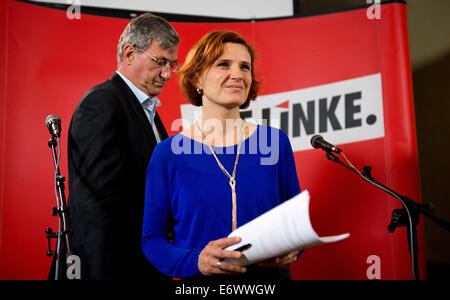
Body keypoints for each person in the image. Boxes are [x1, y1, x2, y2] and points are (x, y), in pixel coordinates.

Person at [141, 31, 302, 279]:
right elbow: (152, 240)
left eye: (245, 67)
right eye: (223, 64)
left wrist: (293, 249)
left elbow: (295, 227)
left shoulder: (275, 142)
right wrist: (195, 260)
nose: (237, 74)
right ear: (197, 78)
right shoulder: (168, 154)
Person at [67, 13, 179, 280]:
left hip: (146, 266)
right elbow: (95, 210)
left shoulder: (145, 110)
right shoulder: (103, 103)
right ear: (129, 53)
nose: (166, 74)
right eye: (160, 62)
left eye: (172, 65)